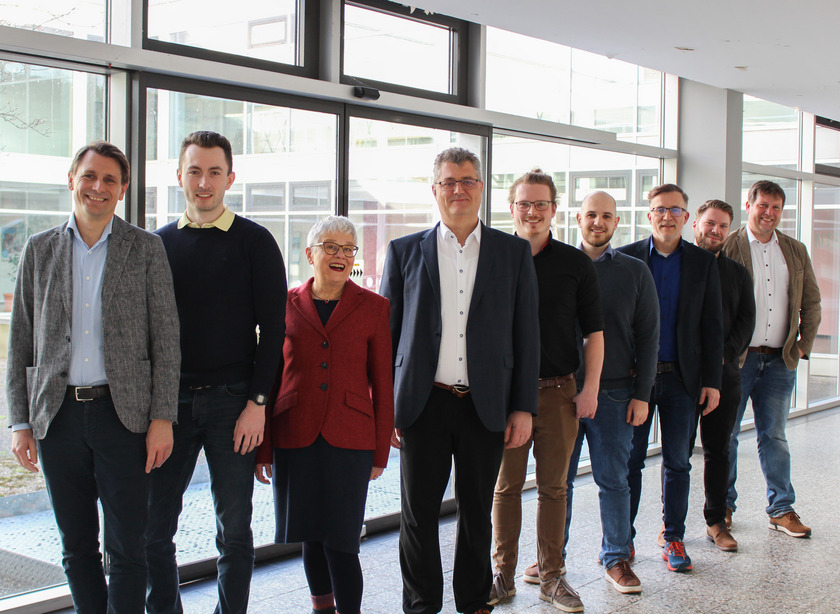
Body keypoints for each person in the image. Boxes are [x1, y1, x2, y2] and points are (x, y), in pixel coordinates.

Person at [6, 140, 180, 613]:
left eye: (109, 179)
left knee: (128, 546)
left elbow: (166, 341)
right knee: (75, 545)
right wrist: (20, 421)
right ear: (72, 180)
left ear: (122, 189)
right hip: (57, 417)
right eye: (89, 176)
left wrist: (163, 417)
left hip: (125, 418)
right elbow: (21, 340)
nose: (97, 187)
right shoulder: (39, 251)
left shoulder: (146, 249)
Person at [380, 147, 539, 614]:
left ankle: (473, 600)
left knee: (476, 512)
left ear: (481, 188)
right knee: (418, 515)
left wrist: (523, 406)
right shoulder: (404, 251)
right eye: (449, 181)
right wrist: (388, 407)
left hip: (484, 405)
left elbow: (526, 334)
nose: (458, 190)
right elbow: (387, 337)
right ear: (435, 190)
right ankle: (422, 603)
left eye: (468, 180)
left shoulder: (513, 253)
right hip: (422, 403)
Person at [146, 131, 287, 614]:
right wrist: (156, 410)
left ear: (230, 178)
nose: (203, 183)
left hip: (235, 402)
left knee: (234, 528)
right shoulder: (157, 244)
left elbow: (274, 330)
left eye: (213, 172)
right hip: (170, 405)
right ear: (179, 175)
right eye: (194, 171)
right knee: (154, 527)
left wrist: (257, 405)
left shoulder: (255, 241)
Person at [255, 216, 394, 614]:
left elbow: (383, 385)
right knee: (309, 536)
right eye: (330, 247)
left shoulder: (374, 307)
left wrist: (380, 452)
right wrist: (263, 449)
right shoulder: (283, 303)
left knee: (342, 540)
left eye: (348, 249)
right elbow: (270, 375)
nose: (340, 255)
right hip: (293, 434)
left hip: (350, 438)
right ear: (310, 253)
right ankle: (321, 608)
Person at [489, 171, 604, 613]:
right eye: (524, 204)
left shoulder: (576, 264)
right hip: (503, 395)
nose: (532, 212)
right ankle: (503, 573)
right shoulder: (494, 257)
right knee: (506, 487)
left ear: (554, 209)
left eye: (541, 204)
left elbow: (595, 333)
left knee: (555, 488)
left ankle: (552, 577)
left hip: (559, 392)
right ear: (512, 207)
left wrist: (589, 388)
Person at [618, 183, 723, 573]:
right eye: (660, 209)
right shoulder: (625, 258)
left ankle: (673, 536)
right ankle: (622, 538)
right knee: (629, 461)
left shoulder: (702, 262)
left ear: (686, 216)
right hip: (634, 380)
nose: (667, 216)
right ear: (649, 216)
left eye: (675, 210)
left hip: (683, 379)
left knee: (678, 461)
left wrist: (712, 381)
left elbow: (713, 326)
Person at [564, 191, 659, 594]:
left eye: (606, 216)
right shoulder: (559, 266)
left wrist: (642, 395)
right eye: (590, 214)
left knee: (614, 481)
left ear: (617, 222)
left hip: (617, 395)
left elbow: (649, 336)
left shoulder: (635, 271)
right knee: (557, 483)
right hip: (561, 395)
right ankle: (553, 557)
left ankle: (616, 557)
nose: (597, 222)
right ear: (578, 219)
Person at [723, 180, 821, 537]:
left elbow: (811, 301)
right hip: (738, 361)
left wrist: (802, 345)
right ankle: (723, 508)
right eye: (763, 205)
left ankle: (781, 508)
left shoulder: (794, 250)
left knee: (775, 435)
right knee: (727, 436)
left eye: (776, 207)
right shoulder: (730, 246)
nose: (769, 213)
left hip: (780, 361)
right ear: (749, 205)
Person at [692, 199, 755, 552]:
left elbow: (747, 320)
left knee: (718, 450)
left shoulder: (737, 273)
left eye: (722, 226)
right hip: (682, 377)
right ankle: (671, 529)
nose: (715, 231)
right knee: (676, 455)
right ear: (695, 224)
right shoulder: (681, 267)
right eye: (709, 223)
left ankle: (717, 521)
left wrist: (723, 356)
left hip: (725, 375)